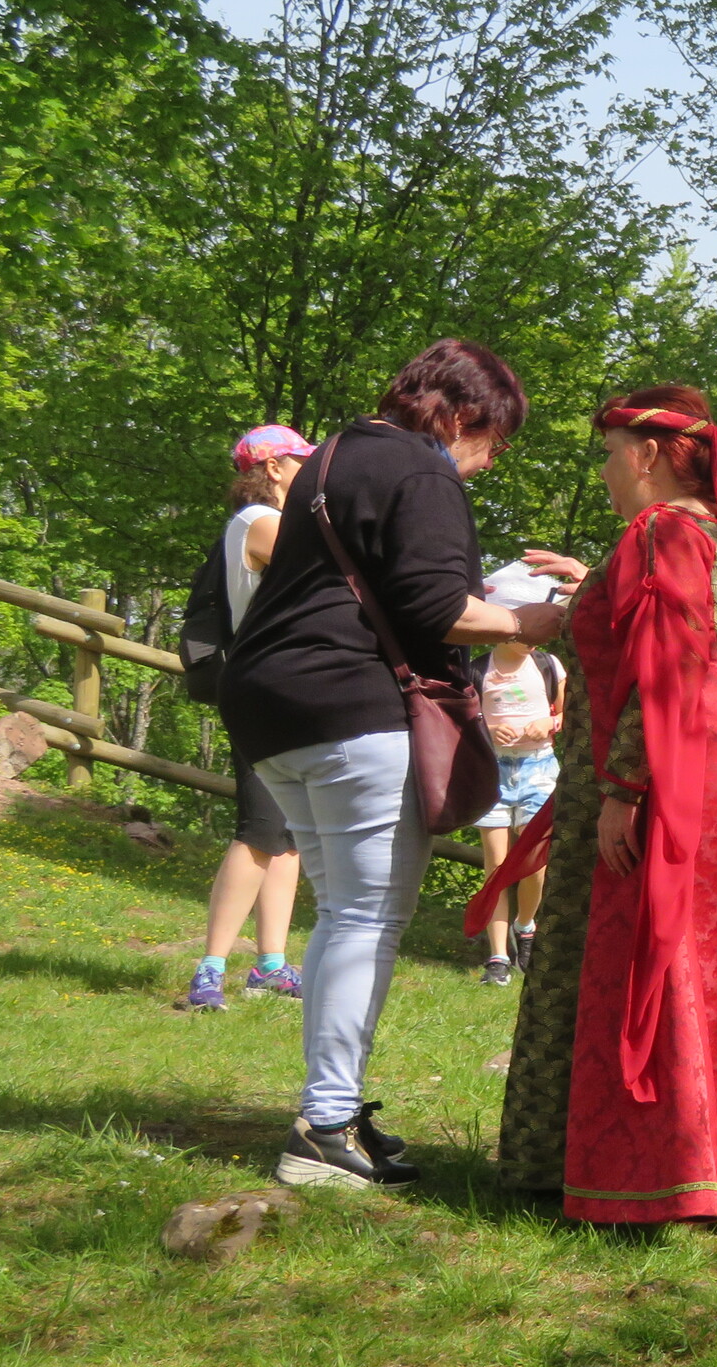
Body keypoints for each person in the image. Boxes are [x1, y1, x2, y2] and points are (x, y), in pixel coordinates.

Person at [220, 339, 566, 1191]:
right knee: (365, 917)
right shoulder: (422, 470)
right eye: (495, 440)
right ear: (462, 415)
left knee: (342, 912)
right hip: (351, 703)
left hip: (269, 703)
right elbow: (439, 607)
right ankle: (325, 1127)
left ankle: (331, 1113)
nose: (491, 460)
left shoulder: (336, 451)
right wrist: (535, 623)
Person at [480, 384, 717, 1224]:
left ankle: (646, 1178)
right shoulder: (711, 531)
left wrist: (624, 789)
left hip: (668, 778)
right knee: (707, 961)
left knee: (650, 959)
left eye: (609, 454)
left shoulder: (664, 530)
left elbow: (669, 670)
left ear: (650, 454)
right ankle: (707, 1163)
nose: (604, 471)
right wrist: (595, 584)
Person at [183, 424, 317, 1011]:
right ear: (274, 468)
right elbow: (329, 567)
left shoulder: (269, 521)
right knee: (260, 829)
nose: (309, 470)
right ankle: (210, 969)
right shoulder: (260, 522)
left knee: (287, 836)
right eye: (301, 461)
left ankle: (270, 965)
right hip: (264, 690)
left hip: (288, 690)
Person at [472, 565, 565, 987]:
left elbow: (566, 713)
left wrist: (549, 723)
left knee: (533, 861)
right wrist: (489, 730)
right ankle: (497, 956)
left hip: (538, 769)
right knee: (495, 865)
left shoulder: (548, 666)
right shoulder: (478, 669)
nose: (533, 637)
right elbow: (464, 721)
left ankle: (526, 925)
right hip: (492, 771)